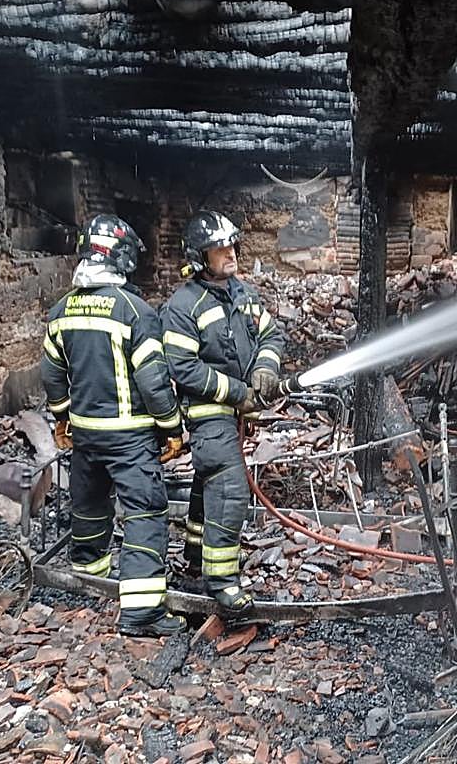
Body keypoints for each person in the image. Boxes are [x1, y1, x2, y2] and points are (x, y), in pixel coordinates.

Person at [41, 214, 186, 637]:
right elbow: (154, 382)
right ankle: (141, 613)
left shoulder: (60, 311)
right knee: (144, 513)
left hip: (86, 434)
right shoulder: (134, 312)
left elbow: (52, 375)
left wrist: (63, 417)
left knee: (89, 505)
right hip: (130, 438)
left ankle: (88, 582)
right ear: (120, 258)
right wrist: (172, 428)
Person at [161, 211, 285, 616]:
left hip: (234, 415)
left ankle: (196, 559)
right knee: (230, 491)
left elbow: (271, 334)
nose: (230, 253)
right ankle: (223, 586)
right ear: (200, 257)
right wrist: (237, 394)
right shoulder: (183, 305)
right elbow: (183, 368)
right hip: (208, 415)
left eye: (233, 244)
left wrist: (266, 366)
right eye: (220, 248)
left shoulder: (243, 294)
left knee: (207, 486)